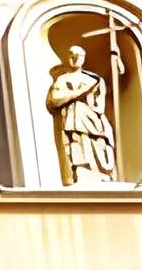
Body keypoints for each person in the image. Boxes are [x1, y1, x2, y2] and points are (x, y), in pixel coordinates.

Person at [46, 43, 118, 184]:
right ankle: (80, 171)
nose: (75, 58)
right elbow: (54, 100)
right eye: (72, 55)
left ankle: (99, 172)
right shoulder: (62, 79)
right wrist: (78, 93)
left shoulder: (94, 79)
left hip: (91, 120)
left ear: (83, 58)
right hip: (72, 120)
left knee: (96, 143)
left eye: (79, 56)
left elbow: (99, 105)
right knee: (75, 141)